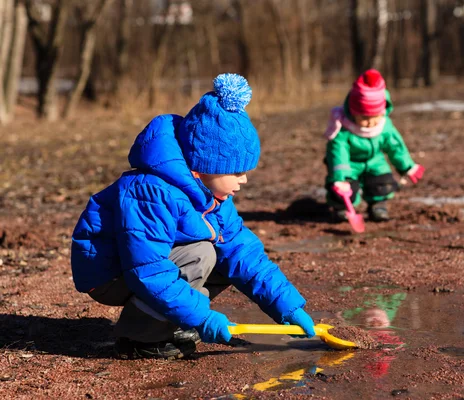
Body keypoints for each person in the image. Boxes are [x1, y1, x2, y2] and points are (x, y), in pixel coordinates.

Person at [70, 73, 315, 360]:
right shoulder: (152, 191)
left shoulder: (213, 196)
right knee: (201, 253)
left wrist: (286, 306)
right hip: (110, 272)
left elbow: (242, 252)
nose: (244, 180)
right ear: (202, 167)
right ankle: (139, 337)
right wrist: (202, 317)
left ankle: (168, 321)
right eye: (236, 172)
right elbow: (148, 270)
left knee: (225, 257)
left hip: (144, 267)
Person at [323, 69, 425, 222]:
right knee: (345, 190)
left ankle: (378, 205)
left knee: (381, 181)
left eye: (375, 116)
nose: (370, 122)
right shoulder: (344, 129)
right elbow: (338, 154)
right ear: (353, 112)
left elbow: (395, 147)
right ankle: (342, 208)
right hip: (349, 164)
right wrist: (341, 177)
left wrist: (407, 166)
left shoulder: (384, 127)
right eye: (364, 117)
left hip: (375, 161)